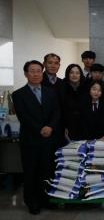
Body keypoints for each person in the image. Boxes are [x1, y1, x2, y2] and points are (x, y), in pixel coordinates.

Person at [12, 60, 61, 215]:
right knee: (31, 171)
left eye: (38, 71)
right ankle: (31, 202)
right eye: (32, 71)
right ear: (26, 74)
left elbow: (56, 112)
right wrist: (40, 129)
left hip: (48, 139)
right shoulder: (18, 94)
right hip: (30, 139)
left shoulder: (50, 92)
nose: (36, 74)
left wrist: (50, 127)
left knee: (46, 170)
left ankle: (45, 199)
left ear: (42, 72)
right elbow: (23, 117)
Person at [61, 64, 86, 141]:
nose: (74, 75)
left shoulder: (85, 86)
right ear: (67, 74)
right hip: (68, 124)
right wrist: (63, 126)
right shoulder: (62, 87)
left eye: (77, 73)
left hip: (84, 124)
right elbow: (60, 109)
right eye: (71, 72)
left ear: (80, 75)